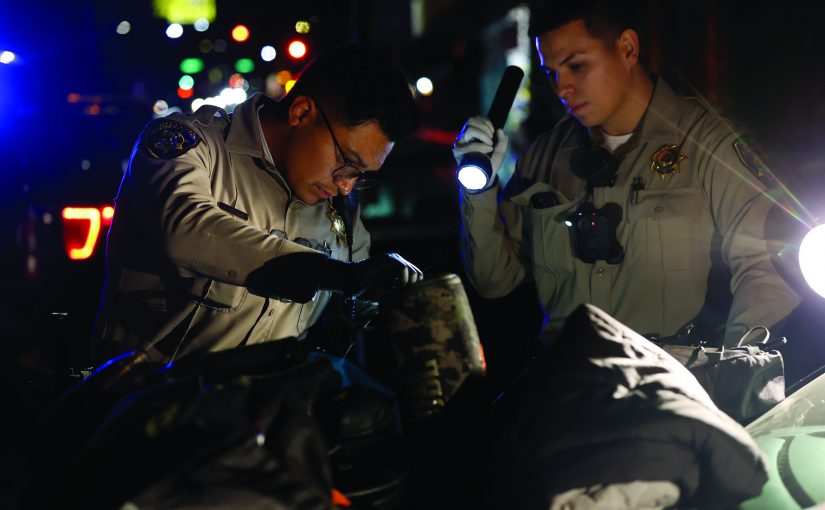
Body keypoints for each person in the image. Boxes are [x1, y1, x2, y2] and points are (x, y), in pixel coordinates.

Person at [453, 0, 801, 348]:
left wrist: (734, 375)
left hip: (668, 386)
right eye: (552, 73)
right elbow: (494, 279)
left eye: (577, 66)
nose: (562, 89)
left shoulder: (707, 144)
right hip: (565, 384)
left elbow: (766, 268)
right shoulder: (544, 157)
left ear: (628, 48)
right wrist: (479, 190)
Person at [92, 44, 423, 365]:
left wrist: (399, 308)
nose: (346, 185)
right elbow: (186, 229)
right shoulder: (191, 146)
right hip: (143, 405)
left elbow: (359, 302)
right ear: (301, 112)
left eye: (361, 175)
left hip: (262, 414)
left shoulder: (337, 209)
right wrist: (330, 273)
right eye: (347, 162)